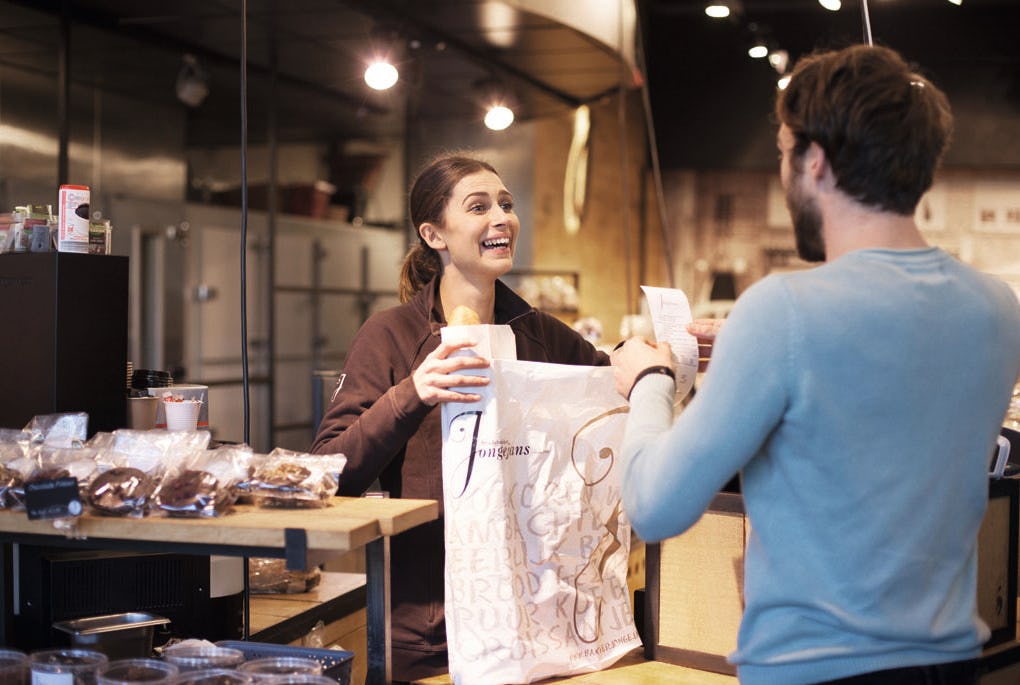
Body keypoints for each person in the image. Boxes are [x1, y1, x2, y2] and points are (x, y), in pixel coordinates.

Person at [612, 44, 1020, 685]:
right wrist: (754, 350)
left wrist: (650, 382)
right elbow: (888, 436)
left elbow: (655, 506)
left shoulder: (782, 312)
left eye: (783, 154)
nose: (782, 174)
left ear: (818, 162)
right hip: (948, 664)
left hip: (814, 672)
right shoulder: (997, 310)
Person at [311, 153, 608, 682]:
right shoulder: (391, 336)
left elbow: (610, 389)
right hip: (429, 631)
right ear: (434, 234)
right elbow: (328, 473)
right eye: (478, 207)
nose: (501, 218)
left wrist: (665, 357)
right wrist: (412, 393)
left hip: (540, 620)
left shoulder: (541, 334)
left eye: (506, 204)